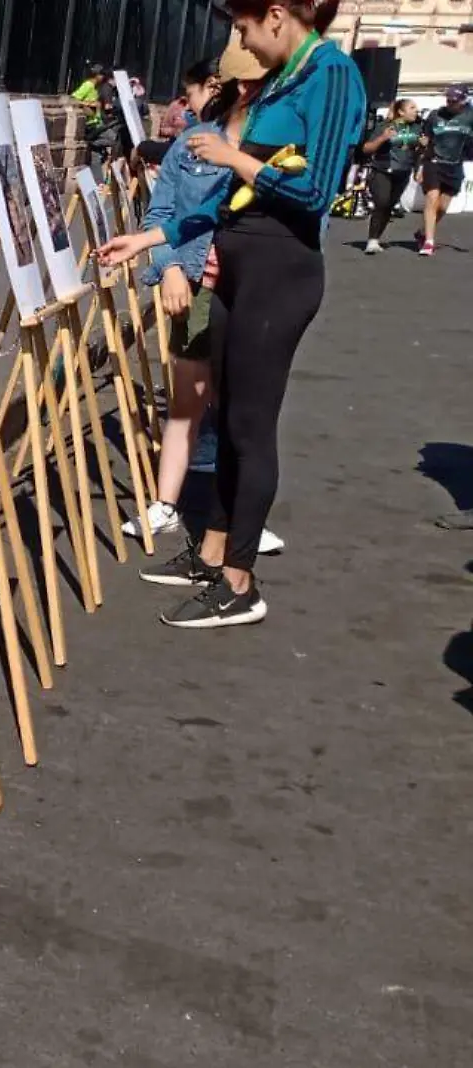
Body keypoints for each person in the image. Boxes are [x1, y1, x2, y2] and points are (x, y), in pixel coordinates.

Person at [98, 6, 365, 628]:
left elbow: (315, 191)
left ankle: (241, 581)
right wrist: (150, 240)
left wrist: (233, 157)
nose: (239, 41)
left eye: (243, 27)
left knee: (249, 424)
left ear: (276, 14)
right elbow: (226, 201)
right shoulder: (284, 78)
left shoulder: (330, 73)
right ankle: (214, 550)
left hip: (280, 272)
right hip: (238, 265)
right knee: (225, 413)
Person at [124, 52, 291, 552]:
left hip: (255, 288)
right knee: (189, 397)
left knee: (243, 406)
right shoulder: (193, 142)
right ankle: (166, 504)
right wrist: (171, 265)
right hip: (200, 283)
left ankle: (239, 517)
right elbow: (164, 209)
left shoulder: (279, 145)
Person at [361, 99, 423, 252]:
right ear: (401, 112)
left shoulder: (417, 128)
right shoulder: (384, 126)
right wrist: (382, 138)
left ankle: (377, 238)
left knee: (389, 206)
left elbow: (416, 153)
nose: (417, 110)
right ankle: (372, 241)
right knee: (382, 202)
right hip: (382, 170)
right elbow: (366, 149)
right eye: (412, 108)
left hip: (403, 172)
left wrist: (418, 168)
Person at [417, 84, 471, 256]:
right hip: (433, 162)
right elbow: (424, 138)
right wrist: (419, 165)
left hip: (454, 164)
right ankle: (429, 242)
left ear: (463, 100)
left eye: (453, 101)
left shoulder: (470, 115)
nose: (449, 103)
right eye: (448, 99)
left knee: (442, 207)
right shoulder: (435, 115)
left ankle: (422, 232)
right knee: (432, 198)